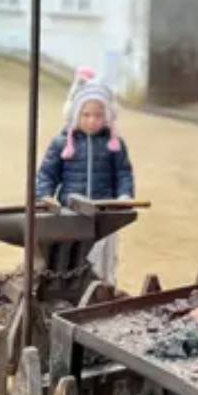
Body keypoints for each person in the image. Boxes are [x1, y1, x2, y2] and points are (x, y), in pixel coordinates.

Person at [36, 81, 134, 286]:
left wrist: (124, 195)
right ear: (75, 115)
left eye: (98, 115)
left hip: (104, 212)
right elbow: (47, 174)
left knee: (103, 256)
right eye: (86, 115)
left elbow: (123, 173)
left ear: (107, 116)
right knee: (71, 254)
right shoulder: (62, 143)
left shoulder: (113, 144)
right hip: (72, 213)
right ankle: (70, 289)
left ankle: (104, 288)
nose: (92, 121)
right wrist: (44, 195)